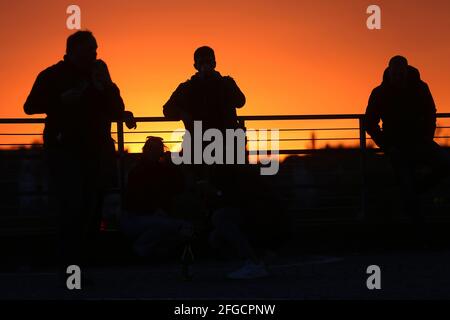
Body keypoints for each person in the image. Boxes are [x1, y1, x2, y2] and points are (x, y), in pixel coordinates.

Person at [23, 30, 136, 284]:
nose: (95, 54)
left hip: (95, 153)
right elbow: (30, 106)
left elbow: (115, 108)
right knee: (71, 209)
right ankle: (70, 269)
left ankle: (80, 268)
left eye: (95, 50)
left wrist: (111, 91)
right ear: (73, 50)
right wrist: (60, 100)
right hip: (64, 152)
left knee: (91, 211)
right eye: (90, 50)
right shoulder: (52, 75)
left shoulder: (98, 76)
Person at [365, 55, 449, 227]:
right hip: (397, 147)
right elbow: (370, 122)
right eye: (395, 74)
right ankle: (418, 226)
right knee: (406, 183)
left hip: (420, 142)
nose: (397, 78)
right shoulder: (380, 93)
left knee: (445, 165)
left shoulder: (420, 88)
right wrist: (387, 146)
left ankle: (418, 191)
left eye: (400, 74)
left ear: (406, 72)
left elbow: (430, 113)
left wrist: (427, 137)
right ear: (389, 73)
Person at [163, 46, 246, 167]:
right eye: (202, 62)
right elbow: (167, 110)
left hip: (225, 144)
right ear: (195, 66)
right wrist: (182, 114)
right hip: (199, 145)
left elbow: (241, 102)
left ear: (214, 63)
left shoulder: (226, 83)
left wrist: (224, 83)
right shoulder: (187, 88)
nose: (205, 65)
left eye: (208, 61)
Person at [120, 137, 193, 258]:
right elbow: (135, 201)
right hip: (135, 218)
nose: (154, 152)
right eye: (151, 149)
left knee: (161, 228)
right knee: (180, 226)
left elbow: (179, 187)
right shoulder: (138, 171)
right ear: (145, 150)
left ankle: (145, 251)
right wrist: (155, 211)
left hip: (145, 218)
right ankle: (142, 249)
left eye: (156, 149)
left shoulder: (161, 170)